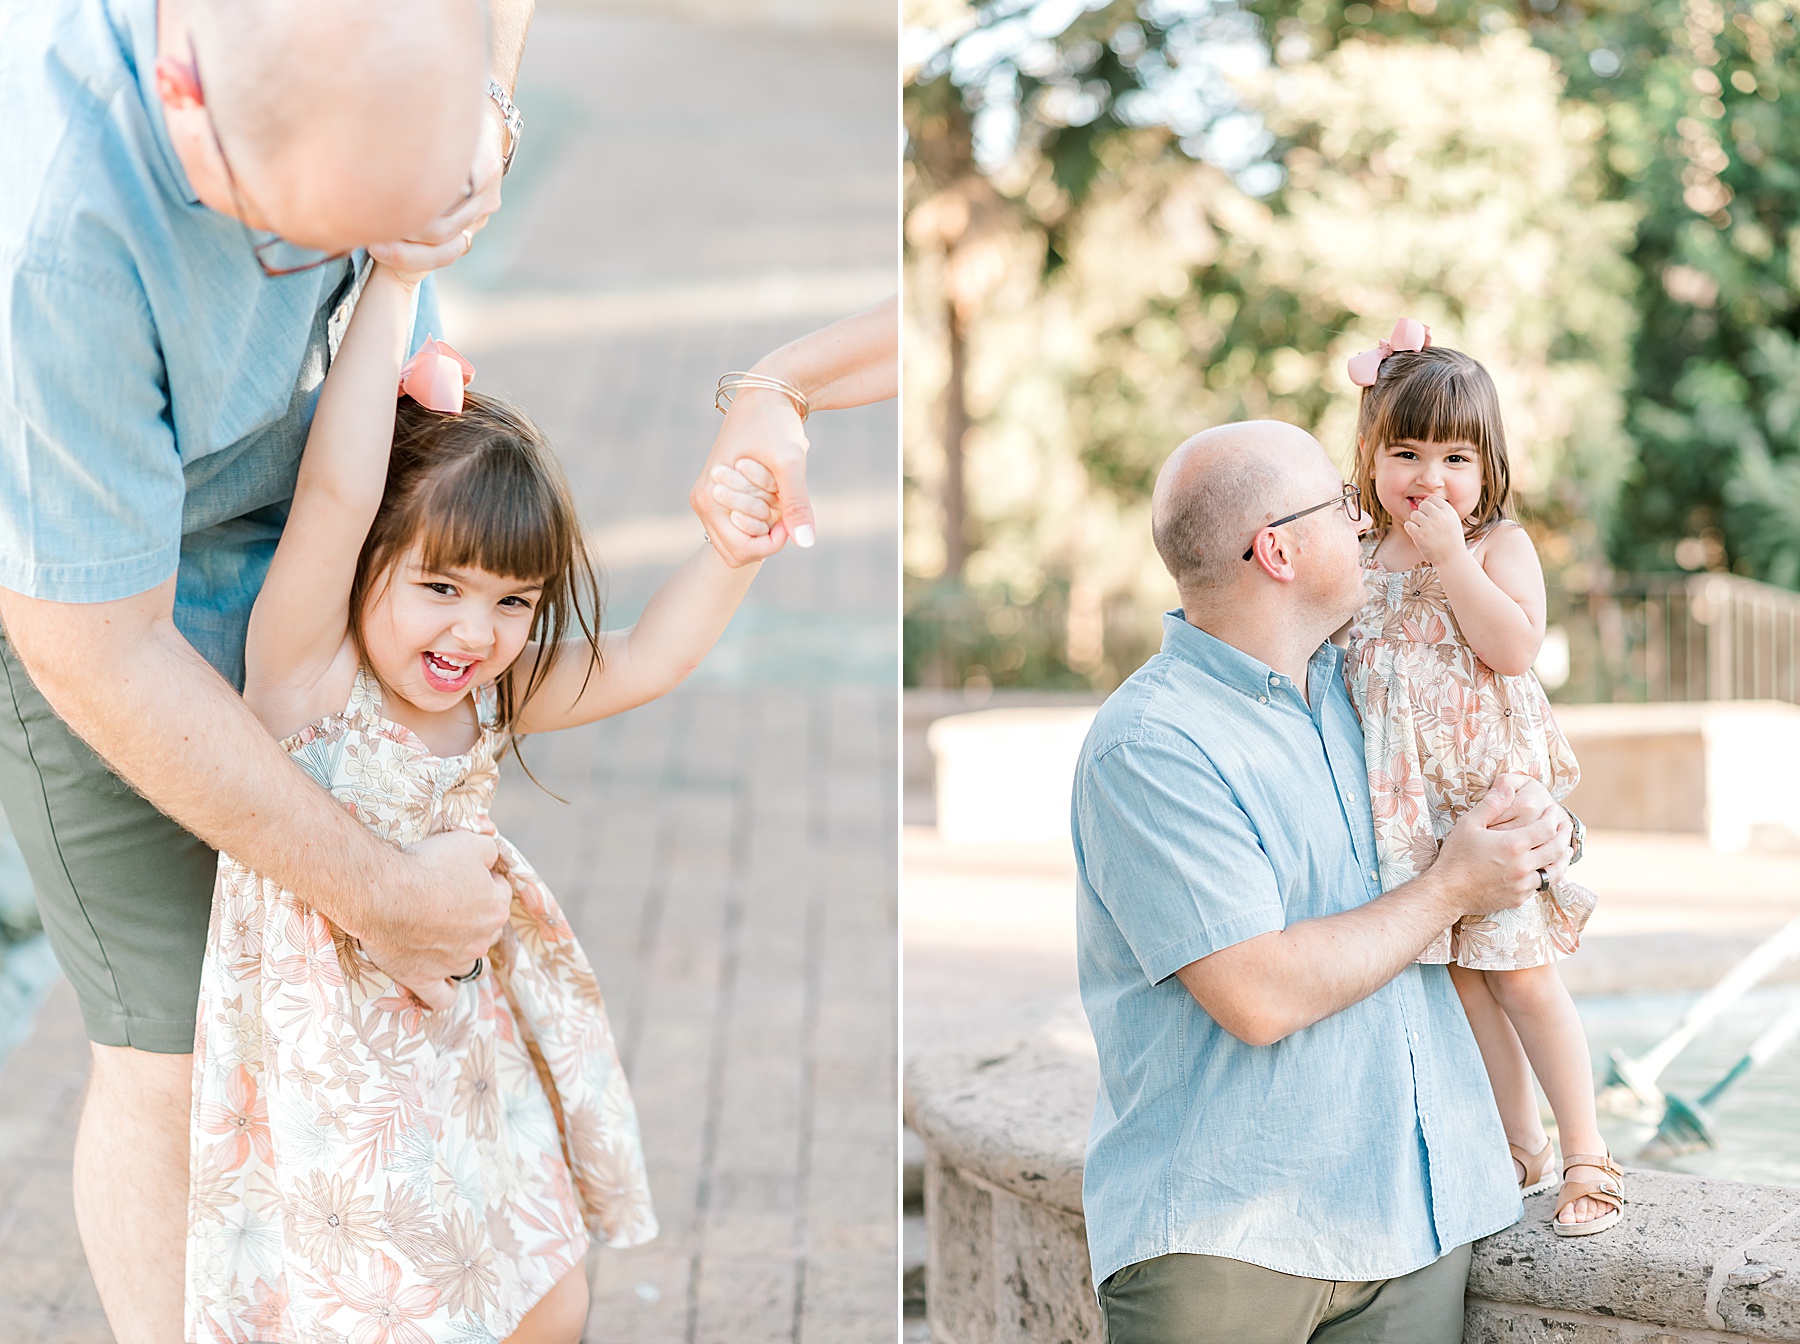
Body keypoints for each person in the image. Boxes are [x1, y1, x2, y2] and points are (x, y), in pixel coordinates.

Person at [186, 258, 782, 1340]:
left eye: (513, 601)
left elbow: (644, 656)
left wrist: (729, 555)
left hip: (464, 1057)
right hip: (337, 1092)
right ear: (369, 561)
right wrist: (401, 274)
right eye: (441, 588)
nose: (474, 634)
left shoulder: (493, 694)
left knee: (549, 1290)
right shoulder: (305, 671)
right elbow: (337, 487)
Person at [1073, 419, 1576, 1344]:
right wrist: (1454, 884)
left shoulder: (1374, 694)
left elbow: (1498, 761)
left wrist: (1535, 827)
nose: (1366, 518)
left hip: (1420, 1234)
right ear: (1279, 550)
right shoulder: (1154, 744)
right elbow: (1257, 993)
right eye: (1342, 508)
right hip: (1227, 1252)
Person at [1342, 320, 1619, 1234]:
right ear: (1372, 456)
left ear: (1488, 468)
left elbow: (1512, 649)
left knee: (1522, 975)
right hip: (1407, 817)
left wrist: (1453, 556)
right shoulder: (1359, 553)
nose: (1430, 477)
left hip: (1492, 809)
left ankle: (1588, 1155)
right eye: (1407, 451)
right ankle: (1520, 1142)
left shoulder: (1498, 546)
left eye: (1456, 456)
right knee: (1458, 984)